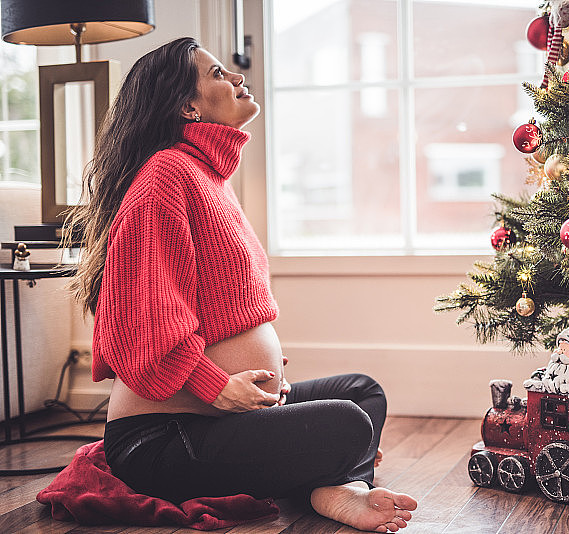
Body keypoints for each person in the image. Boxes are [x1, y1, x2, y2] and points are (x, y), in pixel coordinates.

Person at [62, 37, 416, 533]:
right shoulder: (165, 175)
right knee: (347, 425)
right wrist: (218, 385)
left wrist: (267, 377)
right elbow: (136, 324)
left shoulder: (206, 175)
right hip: (162, 438)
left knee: (362, 393)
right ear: (187, 105)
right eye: (216, 75)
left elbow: (225, 310)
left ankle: (334, 486)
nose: (235, 77)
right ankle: (332, 481)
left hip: (220, 418)